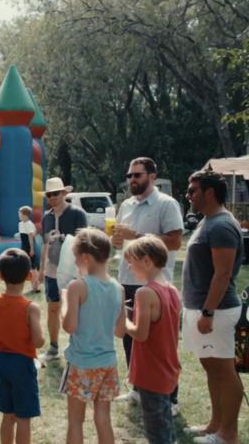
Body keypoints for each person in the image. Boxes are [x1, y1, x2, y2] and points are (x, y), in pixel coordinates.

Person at [111, 157, 184, 412]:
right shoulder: (126, 204)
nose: (132, 180)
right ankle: (137, 389)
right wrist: (118, 241)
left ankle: (170, 398)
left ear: (152, 177)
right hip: (128, 278)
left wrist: (137, 236)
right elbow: (121, 241)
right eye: (129, 175)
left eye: (137, 175)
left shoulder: (167, 204)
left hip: (155, 285)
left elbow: (174, 242)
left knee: (161, 344)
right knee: (131, 340)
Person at [181, 170, 246, 444]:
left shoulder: (221, 225)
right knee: (212, 369)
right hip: (203, 309)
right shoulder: (208, 221)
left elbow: (223, 274)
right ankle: (215, 426)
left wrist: (207, 311)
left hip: (216, 311)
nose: (188, 195)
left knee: (224, 370)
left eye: (192, 190)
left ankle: (228, 435)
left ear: (209, 193)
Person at [61, 228, 126, 444]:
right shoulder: (119, 288)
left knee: (75, 420)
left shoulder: (77, 286)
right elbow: (120, 331)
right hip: (108, 363)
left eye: (75, 256)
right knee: (104, 419)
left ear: (85, 257)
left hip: (82, 363)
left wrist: (65, 303)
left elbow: (69, 327)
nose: (74, 261)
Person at [122, 236, 181, 444]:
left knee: (156, 431)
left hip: (151, 371)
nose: (129, 268)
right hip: (167, 368)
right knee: (165, 424)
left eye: (131, 262)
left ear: (146, 260)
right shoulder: (172, 290)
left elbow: (141, 334)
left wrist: (122, 318)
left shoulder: (145, 293)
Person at [0, 249, 45, 444]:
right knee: (23, 419)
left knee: (8, 414)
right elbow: (38, 342)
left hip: (1, 362)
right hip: (22, 364)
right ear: (29, 276)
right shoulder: (31, 307)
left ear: (0, 275)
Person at [40, 177, 89, 361]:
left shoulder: (77, 213)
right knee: (52, 308)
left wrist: (84, 271)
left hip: (74, 271)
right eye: (48, 194)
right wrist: (41, 270)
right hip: (51, 271)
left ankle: (78, 347)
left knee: (76, 310)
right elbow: (45, 245)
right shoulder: (47, 217)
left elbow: (85, 243)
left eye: (55, 193)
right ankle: (53, 349)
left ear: (64, 192)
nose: (52, 197)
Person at [17, 206, 39, 294]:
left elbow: (31, 236)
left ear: (25, 214)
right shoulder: (20, 224)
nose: (19, 215)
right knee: (25, 267)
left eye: (20, 214)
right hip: (24, 246)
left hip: (29, 247)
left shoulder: (29, 224)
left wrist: (32, 249)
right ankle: (32, 286)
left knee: (33, 267)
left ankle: (35, 287)